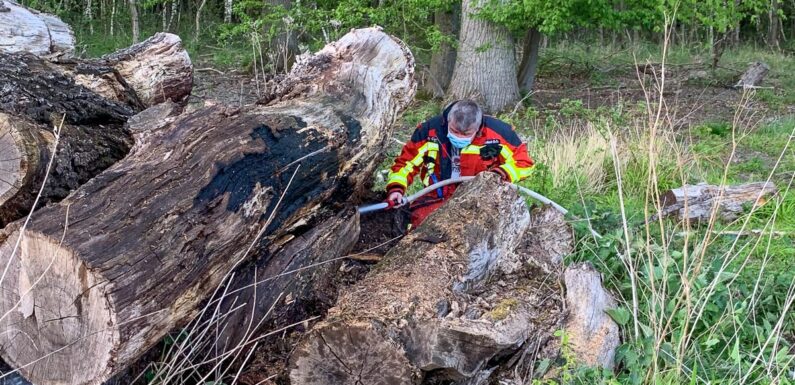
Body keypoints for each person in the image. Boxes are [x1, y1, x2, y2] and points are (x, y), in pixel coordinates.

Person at [386, 99, 535, 227]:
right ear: (448, 121)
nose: (458, 137)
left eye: (466, 134)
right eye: (454, 131)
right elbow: (405, 163)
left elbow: (524, 164)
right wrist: (396, 189)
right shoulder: (429, 131)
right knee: (418, 230)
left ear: (477, 129)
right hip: (436, 197)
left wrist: (500, 174)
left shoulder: (498, 133)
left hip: (480, 199)